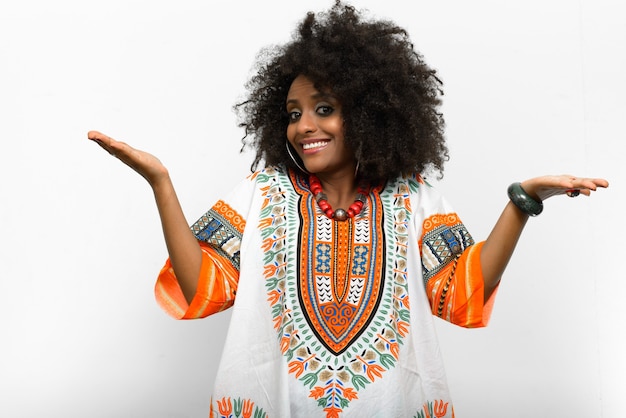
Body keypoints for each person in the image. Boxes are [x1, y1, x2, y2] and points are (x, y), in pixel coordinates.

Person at [88, 1, 608, 417]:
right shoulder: (262, 191)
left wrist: (523, 201)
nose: (303, 126)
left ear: (370, 112)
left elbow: (461, 293)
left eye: (324, 109)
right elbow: (202, 288)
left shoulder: (412, 195)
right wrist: (161, 182)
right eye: (293, 114)